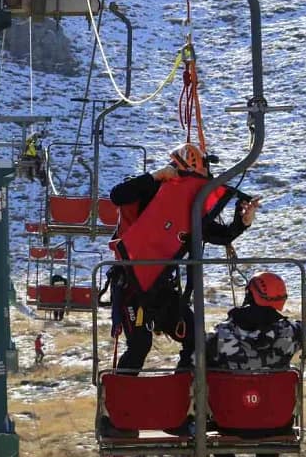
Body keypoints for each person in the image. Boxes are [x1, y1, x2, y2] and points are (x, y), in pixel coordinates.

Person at [106, 142, 261, 373]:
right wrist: (156, 176)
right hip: (132, 284)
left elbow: (219, 235)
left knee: (196, 338)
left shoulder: (188, 207)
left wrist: (242, 223)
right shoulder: (148, 189)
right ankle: (120, 393)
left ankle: (186, 385)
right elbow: (117, 195)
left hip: (161, 286)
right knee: (139, 345)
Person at [208, 272, 306, 457]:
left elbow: (201, 357)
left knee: (216, 435)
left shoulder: (222, 334)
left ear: (250, 295)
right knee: (272, 438)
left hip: (228, 421)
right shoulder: (290, 333)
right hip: (274, 422)